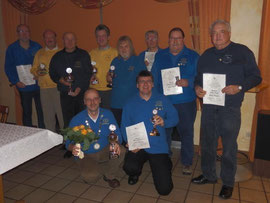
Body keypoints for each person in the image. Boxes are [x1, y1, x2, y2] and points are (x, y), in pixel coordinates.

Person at [192, 20, 262, 199]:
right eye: (214, 33)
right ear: (211, 36)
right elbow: (197, 78)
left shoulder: (242, 52)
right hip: (208, 107)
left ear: (229, 33)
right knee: (207, 144)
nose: (217, 36)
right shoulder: (206, 55)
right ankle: (208, 175)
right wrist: (197, 88)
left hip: (229, 109)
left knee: (229, 148)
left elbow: (256, 77)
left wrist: (239, 87)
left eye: (221, 32)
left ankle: (228, 182)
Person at [121, 70, 178, 195]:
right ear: (137, 85)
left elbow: (175, 118)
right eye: (142, 82)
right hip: (139, 145)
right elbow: (124, 126)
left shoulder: (163, 99)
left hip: (158, 146)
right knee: (129, 167)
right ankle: (135, 173)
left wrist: (164, 122)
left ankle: (165, 161)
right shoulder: (129, 103)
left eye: (148, 81)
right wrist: (130, 142)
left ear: (153, 84)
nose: (145, 84)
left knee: (164, 190)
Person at [152, 27, 199, 175]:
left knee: (186, 133)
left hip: (186, 102)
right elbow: (154, 77)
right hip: (164, 102)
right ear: (168, 40)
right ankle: (165, 159)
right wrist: (155, 98)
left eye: (178, 38)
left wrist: (189, 82)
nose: (175, 41)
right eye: (172, 38)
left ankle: (187, 162)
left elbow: (201, 76)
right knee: (164, 131)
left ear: (183, 40)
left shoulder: (193, 56)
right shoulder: (160, 55)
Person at [66, 88, 124, 188]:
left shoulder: (108, 114)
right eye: (89, 99)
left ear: (100, 100)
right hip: (86, 154)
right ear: (84, 102)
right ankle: (98, 167)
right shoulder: (77, 119)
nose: (92, 102)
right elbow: (68, 143)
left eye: (95, 98)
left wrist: (116, 143)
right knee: (90, 177)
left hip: (104, 149)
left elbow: (118, 135)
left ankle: (109, 176)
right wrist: (73, 148)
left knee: (121, 150)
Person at [4, 24, 45, 128]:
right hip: (23, 86)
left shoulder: (37, 46)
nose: (24, 34)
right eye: (21, 31)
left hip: (38, 84)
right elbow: (8, 67)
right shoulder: (12, 48)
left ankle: (43, 131)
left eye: (26, 31)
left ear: (29, 33)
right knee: (27, 112)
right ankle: (28, 133)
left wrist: (40, 75)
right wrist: (16, 81)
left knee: (42, 110)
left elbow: (43, 64)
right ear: (17, 34)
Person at [49, 32, 92, 128]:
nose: (70, 41)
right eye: (67, 39)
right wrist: (61, 80)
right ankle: (70, 142)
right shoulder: (57, 57)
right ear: (63, 41)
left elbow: (88, 74)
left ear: (76, 41)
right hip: (65, 94)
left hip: (81, 94)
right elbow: (52, 73)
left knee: (82, 120)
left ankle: (83, 141)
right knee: (68, 121)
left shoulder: (84, 55)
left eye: (72, 39)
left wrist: (79, 88)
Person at [107, 36, 146, 126]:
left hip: (133, 104)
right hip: (116, 104)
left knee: (133, 133)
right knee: (118, 133)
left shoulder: (138, 61)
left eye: (126, 46)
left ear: (131, 47)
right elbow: (110, 76)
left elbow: (144, 82)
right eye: (121, 47)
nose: (123, 49)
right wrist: (108, 77)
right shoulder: (115, 61)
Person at [31, 30, 64, 132]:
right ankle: (51, 139)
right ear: (44, 39)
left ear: (55, 38)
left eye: (51, 37)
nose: (49, 39)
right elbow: (33, 68)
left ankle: (66, 140)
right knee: (47, 116)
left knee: (62, 115)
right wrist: (37, 73)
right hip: (44, 89)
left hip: (59, 88)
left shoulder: (62, 52)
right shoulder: (40, 53)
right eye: (46, 37)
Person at [89, 24, 118, 109]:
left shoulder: (116, 53)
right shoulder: (91, 53)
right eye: (98, 36)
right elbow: (87, 72)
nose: (101, 38)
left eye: (103, 36)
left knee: (108, 117)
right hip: (94, 90)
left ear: (108, 37)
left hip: (110, 91)